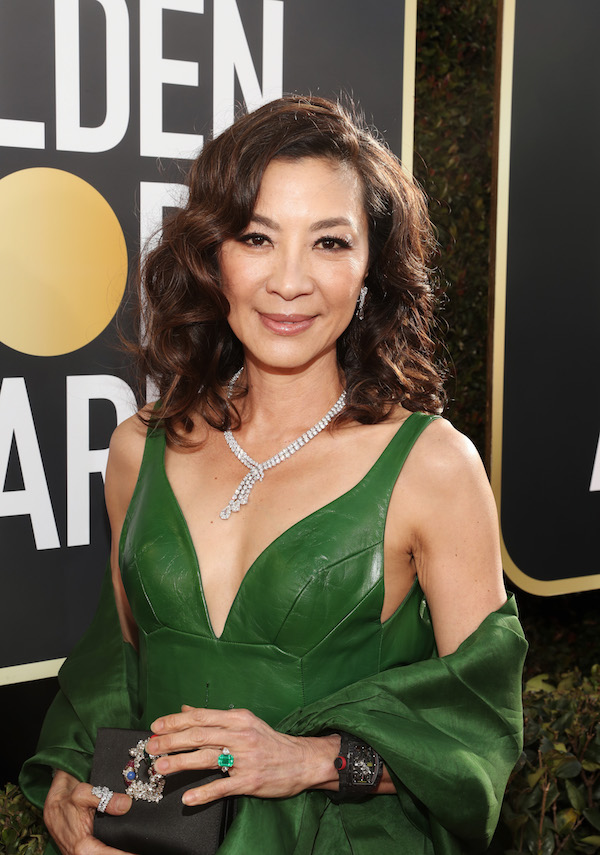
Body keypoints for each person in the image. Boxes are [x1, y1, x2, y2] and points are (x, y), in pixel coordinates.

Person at [21, 95, 526, 855]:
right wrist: (68, 773)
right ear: (212, 254)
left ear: (369, 268)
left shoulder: (432, 465)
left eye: (329, 242)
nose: (289, 281)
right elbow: (118, 660)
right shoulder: (138, 449)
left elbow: (480, 727)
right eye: (257, 236)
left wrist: (311, 759)